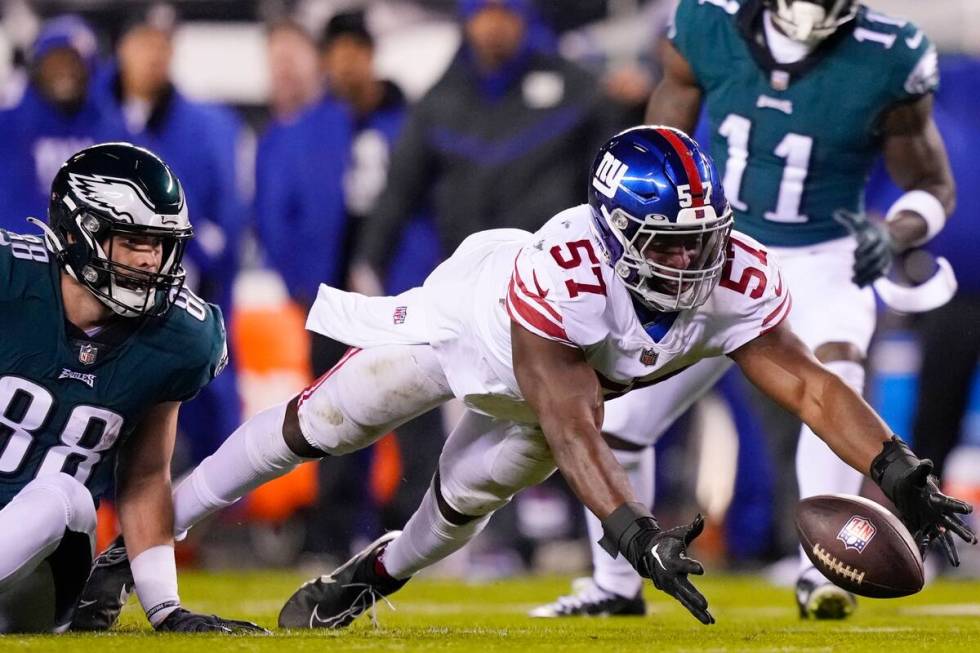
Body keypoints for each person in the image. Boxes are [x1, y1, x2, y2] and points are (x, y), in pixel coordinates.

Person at [75, 127, 975, 631]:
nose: (697, 259)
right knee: (326, 422)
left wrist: (897, 468)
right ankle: (136, 544)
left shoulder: (733, 271)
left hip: (566, 394)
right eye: (672, 243)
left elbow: (813, 386)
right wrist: (633, 532)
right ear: (619, 234)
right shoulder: (567, 268)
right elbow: (573, 419)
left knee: (456, 511)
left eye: (704, 236)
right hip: (475, 330)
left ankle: (367, 578)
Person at [533, 0, 958, 620]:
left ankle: (827, 570)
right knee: (622, 420)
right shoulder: (706, 26)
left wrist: (894, 231)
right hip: (717, 252)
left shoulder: (889, 54)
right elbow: (661, 145)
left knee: (835, 376)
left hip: (826, 252)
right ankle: (616, 587)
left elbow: (934, 184)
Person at [0, 143, 263, 634]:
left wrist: (166, 609)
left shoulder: (179, 338)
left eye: (160, 245)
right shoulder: (9, 279)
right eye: (134, 242)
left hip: (41, 576)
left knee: (63, 495)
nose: (151, 262)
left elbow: (145, 478)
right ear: (79, 233)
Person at [349, 0, 612, 294]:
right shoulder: (438, 102)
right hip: (467, 281)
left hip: (554, 279)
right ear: (467, 18)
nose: (495, 23)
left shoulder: (578, 90)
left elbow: (606, 177)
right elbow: (399, 190)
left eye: (506, 10)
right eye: (484, 10)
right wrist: (370, 260)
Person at [101, 7, 246, 463]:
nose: (155, 54)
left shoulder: (209, 127)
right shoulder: (86, 112)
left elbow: (229, 215)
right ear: (122, 45)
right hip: (99, 282)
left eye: (164, 41)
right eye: (145, 40)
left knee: (208, 383)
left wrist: (203, 257)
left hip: (181, 281)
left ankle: (220, 516)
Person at [0, 15, 126, 230]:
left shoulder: (116, 130)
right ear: (37, 68)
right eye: (55, 61)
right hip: (14, 255)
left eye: (74, 62)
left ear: (91, 68)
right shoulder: (7, 125)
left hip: (90, 257)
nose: (65, 71)